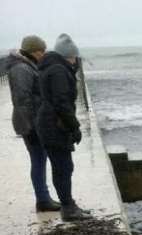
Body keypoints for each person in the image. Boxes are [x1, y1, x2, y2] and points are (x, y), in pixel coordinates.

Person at [35, 33, 90, 222]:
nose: (76, 61)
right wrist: (75, 127)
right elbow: (62, 103)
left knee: (63, 167)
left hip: (50, 122)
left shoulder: (52, 66)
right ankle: (68, 208)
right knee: (63, 167)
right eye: (74, 57)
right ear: (68, 55)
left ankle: (69, 204)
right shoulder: (59, 70)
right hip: (54, 125)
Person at [6, 35, 60, 212]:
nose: (43, 54)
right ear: (32, 51)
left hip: (34, 121)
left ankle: (44, 198)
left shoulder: (27, 65)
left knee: (40, 159)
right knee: (38, 160)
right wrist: (32, 127)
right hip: (30, 123)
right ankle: (43, 200)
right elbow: (22, 100)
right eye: (40, 51)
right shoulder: (21, 68)